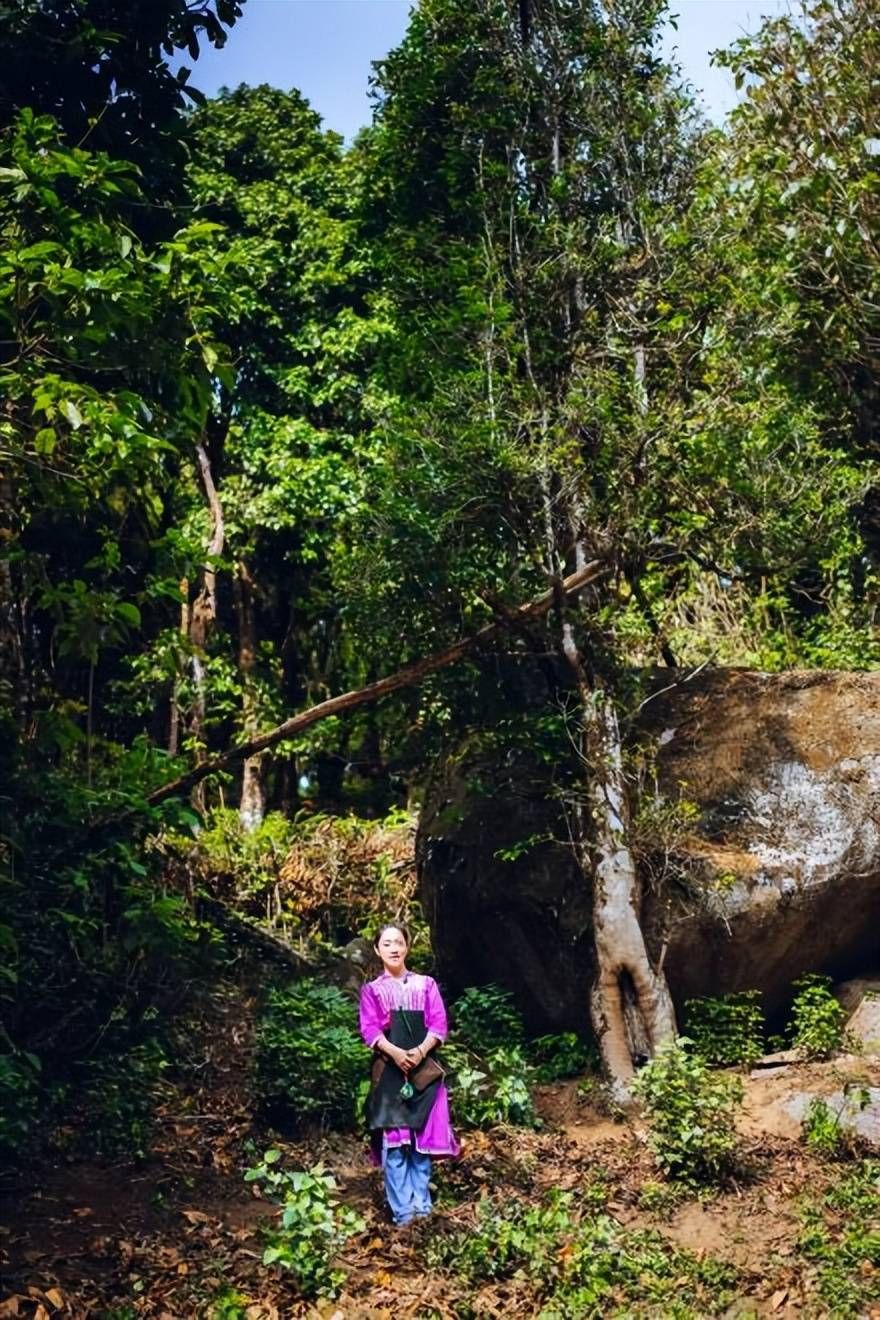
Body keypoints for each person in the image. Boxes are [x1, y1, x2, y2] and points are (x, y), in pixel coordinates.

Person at [359, 923, 460, 1226]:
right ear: (377, 950)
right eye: (387, 943)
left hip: (424, 1071)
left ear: (407, 947)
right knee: (395, 1144)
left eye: (399, 942)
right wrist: (396, 1053)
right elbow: (370, 1030)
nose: (393, 948)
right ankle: (403, 1214)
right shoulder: (371, 990)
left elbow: (439, 1024)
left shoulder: (426, 985)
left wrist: (418, 1052)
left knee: (420, 1143)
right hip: (389, 1072)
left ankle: (423, 1211)